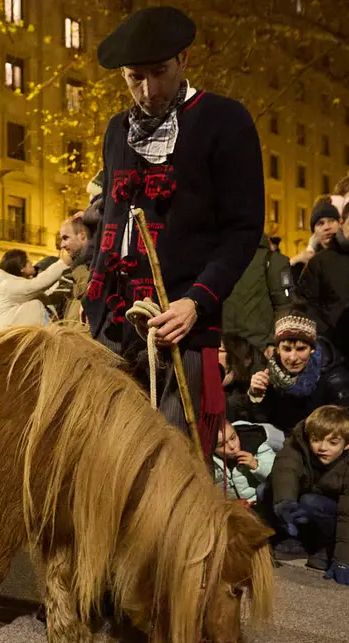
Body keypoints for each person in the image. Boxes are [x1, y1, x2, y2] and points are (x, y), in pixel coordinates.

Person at [88, 5, 264, 451]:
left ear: (183, 61)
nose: (147, 90)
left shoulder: (225, 119)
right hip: (116, 327)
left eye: (159, 72)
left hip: (182, 326)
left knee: (173, 463)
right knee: (107, 459)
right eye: (134, 77)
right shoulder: (115, 131)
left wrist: (196, 303)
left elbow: (243, 230)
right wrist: (95, 312)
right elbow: (111, 221)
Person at [267, 405, 349, 583]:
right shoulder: (296, 444)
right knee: (266, 490)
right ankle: (296, 540)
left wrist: (344, 560)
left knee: (310, 501)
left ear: (348, 444)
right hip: (307, 513)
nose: (322, 447)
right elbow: (285, 472)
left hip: (335, 519)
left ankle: (327, 548)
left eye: (333, 443)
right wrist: (285, 504)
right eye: (316, 439)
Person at [239, 313, 349, 436]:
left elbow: (348, 431)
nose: (293, 358)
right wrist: (255, 395)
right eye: (287, 349)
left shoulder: (334, 378)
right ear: (278, 349)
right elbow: (261, 423)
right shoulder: (272, 373)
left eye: (301, 349)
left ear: (312, 349)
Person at [296, 197, 349, 360]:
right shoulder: (321, 261)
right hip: (333, 350)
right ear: (342, 222)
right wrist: (325, 338)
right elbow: (306, 304)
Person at [222, 233, 295, 356]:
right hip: (231, 349)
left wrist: (273, 342)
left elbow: (285, 306)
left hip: (259, 350)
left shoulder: (272, 260)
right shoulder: (221, 261)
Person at [0, 248, 72, 329]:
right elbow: (40, 283)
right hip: (15, 337)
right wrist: (63, 263)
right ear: (21, 268)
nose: (32, 263)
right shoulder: (7, 286)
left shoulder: (19, 285)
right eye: (28, 261)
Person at [210, 421, 275, 506]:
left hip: (263, 503)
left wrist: (256, 466)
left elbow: (280, 476)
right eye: (222, 445)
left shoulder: (257, 446)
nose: (232, 446)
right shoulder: (211, 464)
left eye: (233, 438)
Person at [291, 197, 340, 273]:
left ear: (340, 224)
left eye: (331, 221)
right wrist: (292, 263)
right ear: (314, 232)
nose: (326, 227)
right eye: (320, 223)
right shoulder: (307, 261)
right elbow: (285, 282)